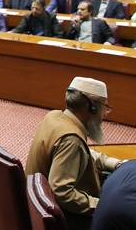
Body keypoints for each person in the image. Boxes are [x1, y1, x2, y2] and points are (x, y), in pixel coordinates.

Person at [26, 77, 124, 229]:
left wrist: (114, 164)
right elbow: (61, 192)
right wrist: (102, 206)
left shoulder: (55, 117)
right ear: (91, 107)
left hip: (36, 209)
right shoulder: (71, 140)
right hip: (66, 220)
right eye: (104, 107)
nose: (104, 114)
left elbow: (81, 152)